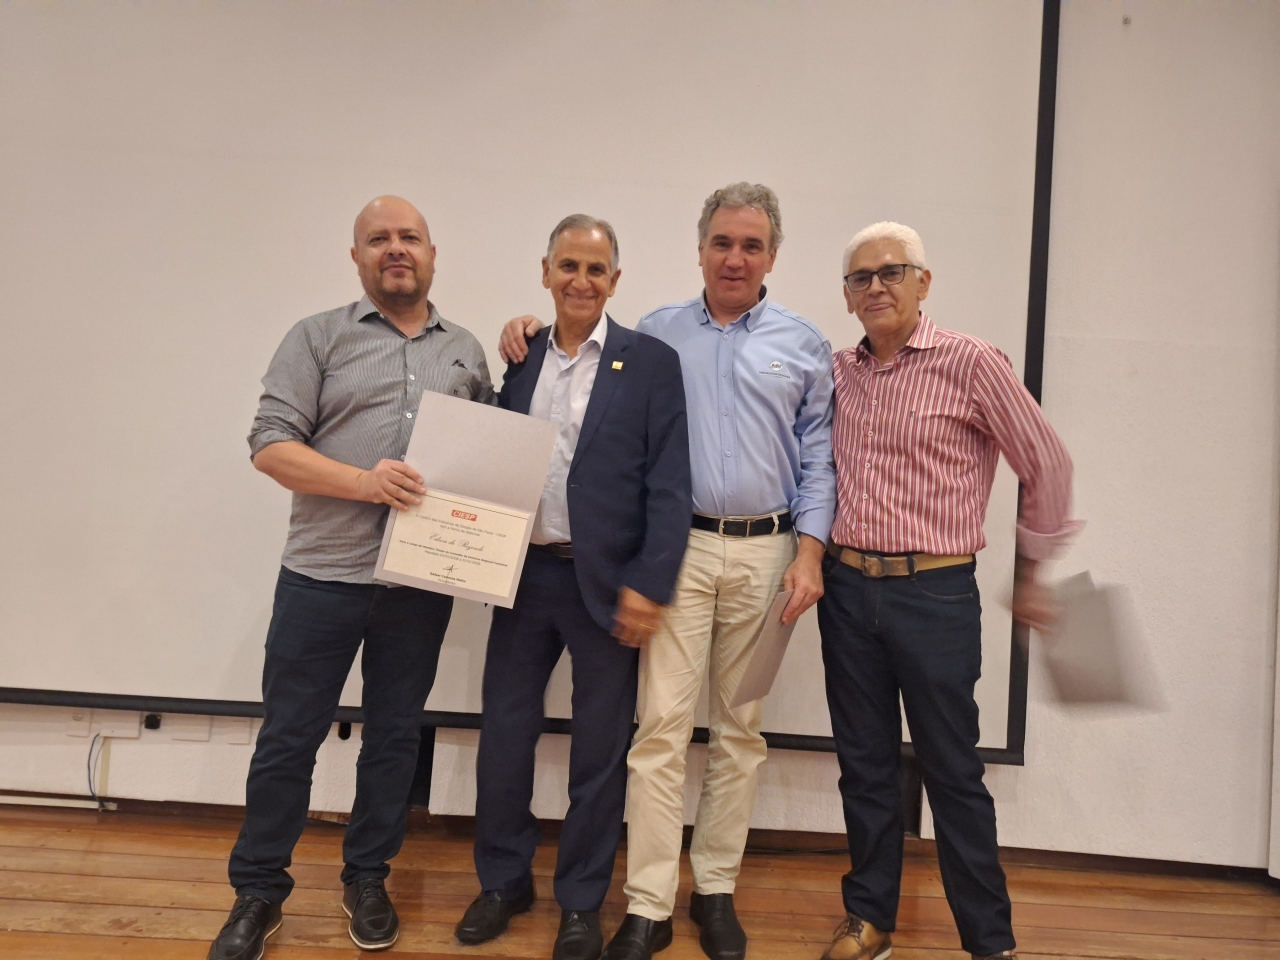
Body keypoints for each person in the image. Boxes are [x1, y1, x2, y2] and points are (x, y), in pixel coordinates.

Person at [499, 184, 836, 960]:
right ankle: (647, 905)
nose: (735, 258)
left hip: (768, 552)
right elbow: (579, 354)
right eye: (722, 242)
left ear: (772, 257)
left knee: (739, 732)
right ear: (700, 249)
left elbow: (819, 454)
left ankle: (714, 889)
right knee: (658, 731)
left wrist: (811, 549)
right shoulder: (654, 336)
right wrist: (524, 329)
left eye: (751, 246)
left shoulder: (804, 343)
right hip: (678, 551)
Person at [206, 196, 495, 960]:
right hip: (320, 578)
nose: (395, 248)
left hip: (419, 587)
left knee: (394, 740)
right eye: (378, 238)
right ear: (357, 256)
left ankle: (368, 878)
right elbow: (270, 445)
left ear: (432, 253)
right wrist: (365, 484)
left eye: (409, 237)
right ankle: (257, 893)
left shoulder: (466, 351)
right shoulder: (317, 336)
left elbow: (492, 458)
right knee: (288, 740)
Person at [817, 222, 1080, 960]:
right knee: (864, 766)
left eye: (892, 271)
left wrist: (1032, 573)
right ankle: (869, 920)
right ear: (846, 296)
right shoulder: (836, 371)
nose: (876, 286)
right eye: (861, 277)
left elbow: (1047, 463)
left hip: (933, 597)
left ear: (923, 282)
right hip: (846, 591)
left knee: (953, 771)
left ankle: (989, 941)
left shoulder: (971, 362)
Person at [455, 215, 692, 960]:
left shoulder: (650, 363)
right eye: (568, 266)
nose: (581, 281)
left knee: (599, 753)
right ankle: (502, 883)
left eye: (595, 269)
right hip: (524, 578)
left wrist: (650, 584)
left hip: (607, 590)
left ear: (615, 281)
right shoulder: (521, 358)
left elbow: (670, 485)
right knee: (504, 740)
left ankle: (582, 903)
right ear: (546, 272)